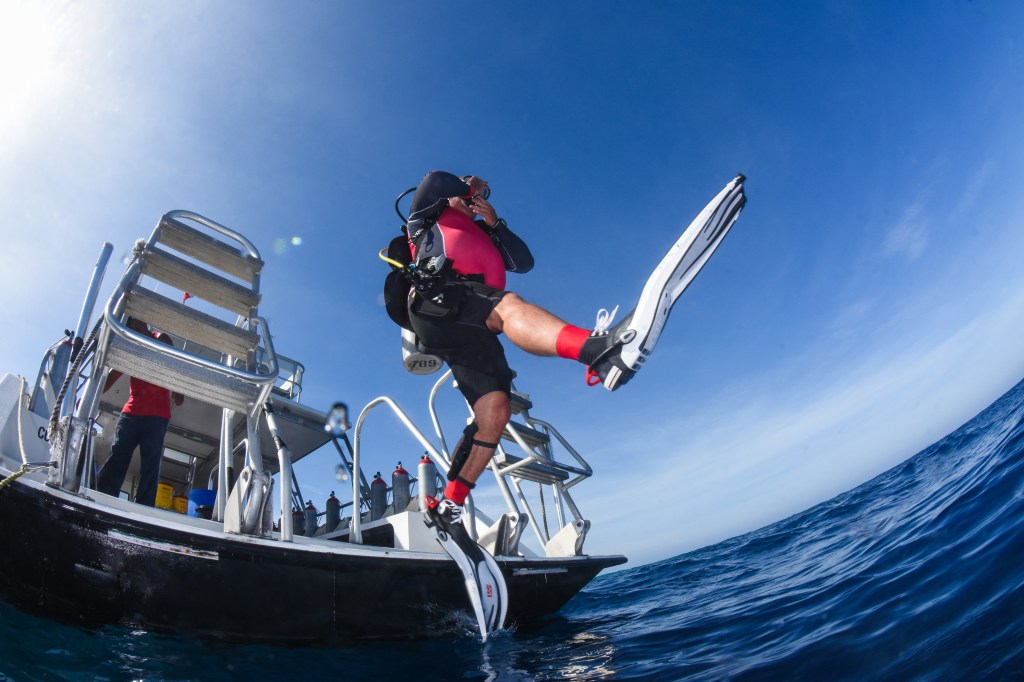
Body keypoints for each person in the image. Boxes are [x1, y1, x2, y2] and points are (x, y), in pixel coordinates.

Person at [404, 170, 638, 530]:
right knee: (508, 305)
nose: (474, 198)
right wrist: (470, 187)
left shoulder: (484, 230)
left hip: (473, 326)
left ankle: (450, 504)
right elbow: (435, 181)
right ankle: (595, 351)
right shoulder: (424, 219)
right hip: (440, 299)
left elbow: (524, 262)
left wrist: (495, 223)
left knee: (494, 412)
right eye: (468, 193)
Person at [95, 317, 184, 506]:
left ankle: (145, 507)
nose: (129, 326)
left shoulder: (161, 338)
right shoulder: (129, 349)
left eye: (131, 322)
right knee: (118, 455)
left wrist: (179, 389)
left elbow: (174, 362)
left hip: (157, 415)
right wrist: (91, 391)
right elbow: (108, 381)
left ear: (142, 322)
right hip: (131, 413)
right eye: (127, 324)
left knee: (150, 464)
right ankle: (103, 498)